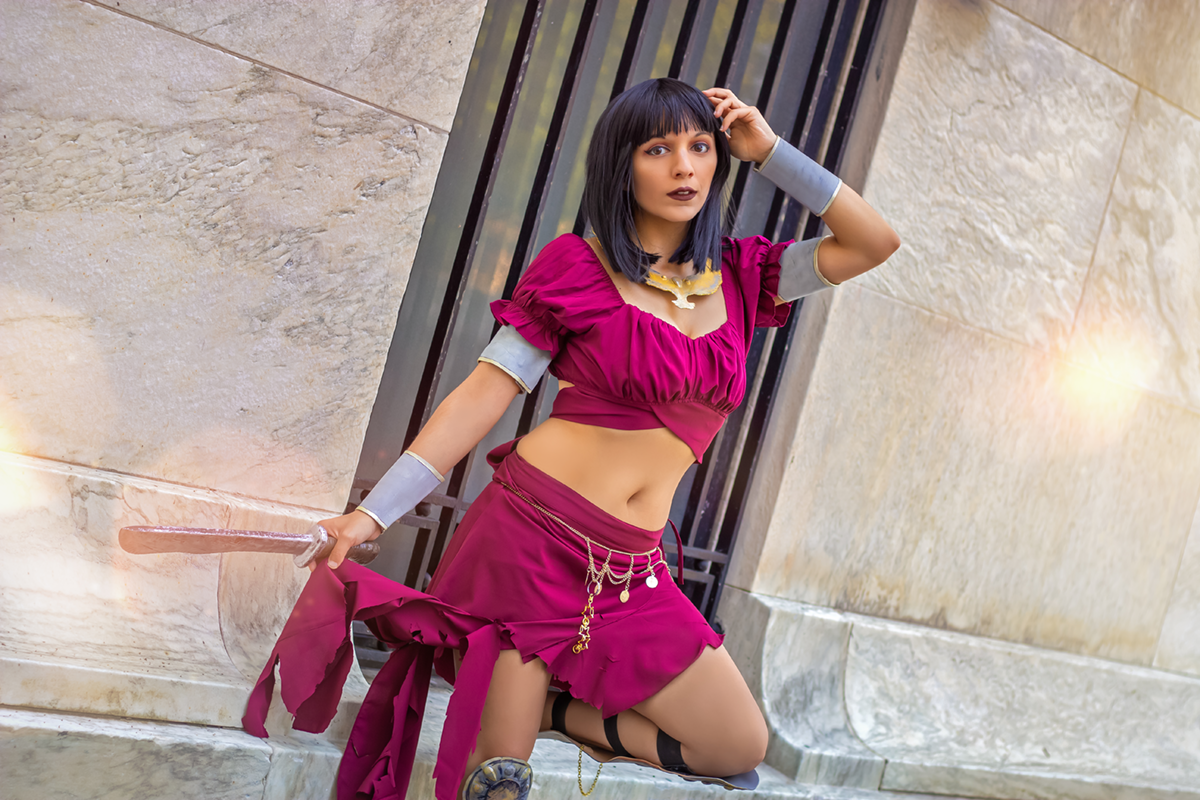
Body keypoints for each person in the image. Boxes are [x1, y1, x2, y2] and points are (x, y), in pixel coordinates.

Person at [244, 78, 899, 800]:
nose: (685, 167)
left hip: (630, 571)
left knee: (735, 743)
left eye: (700, 147)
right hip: (532, 544)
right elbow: (482, 395)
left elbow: (875, 241)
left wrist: (770, 151)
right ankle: (514, 703)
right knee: (498, 782)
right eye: (658, 149)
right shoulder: (577, 270)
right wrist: (372, 516)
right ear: (623, 164)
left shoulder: (747, 277)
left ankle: (554, 709)